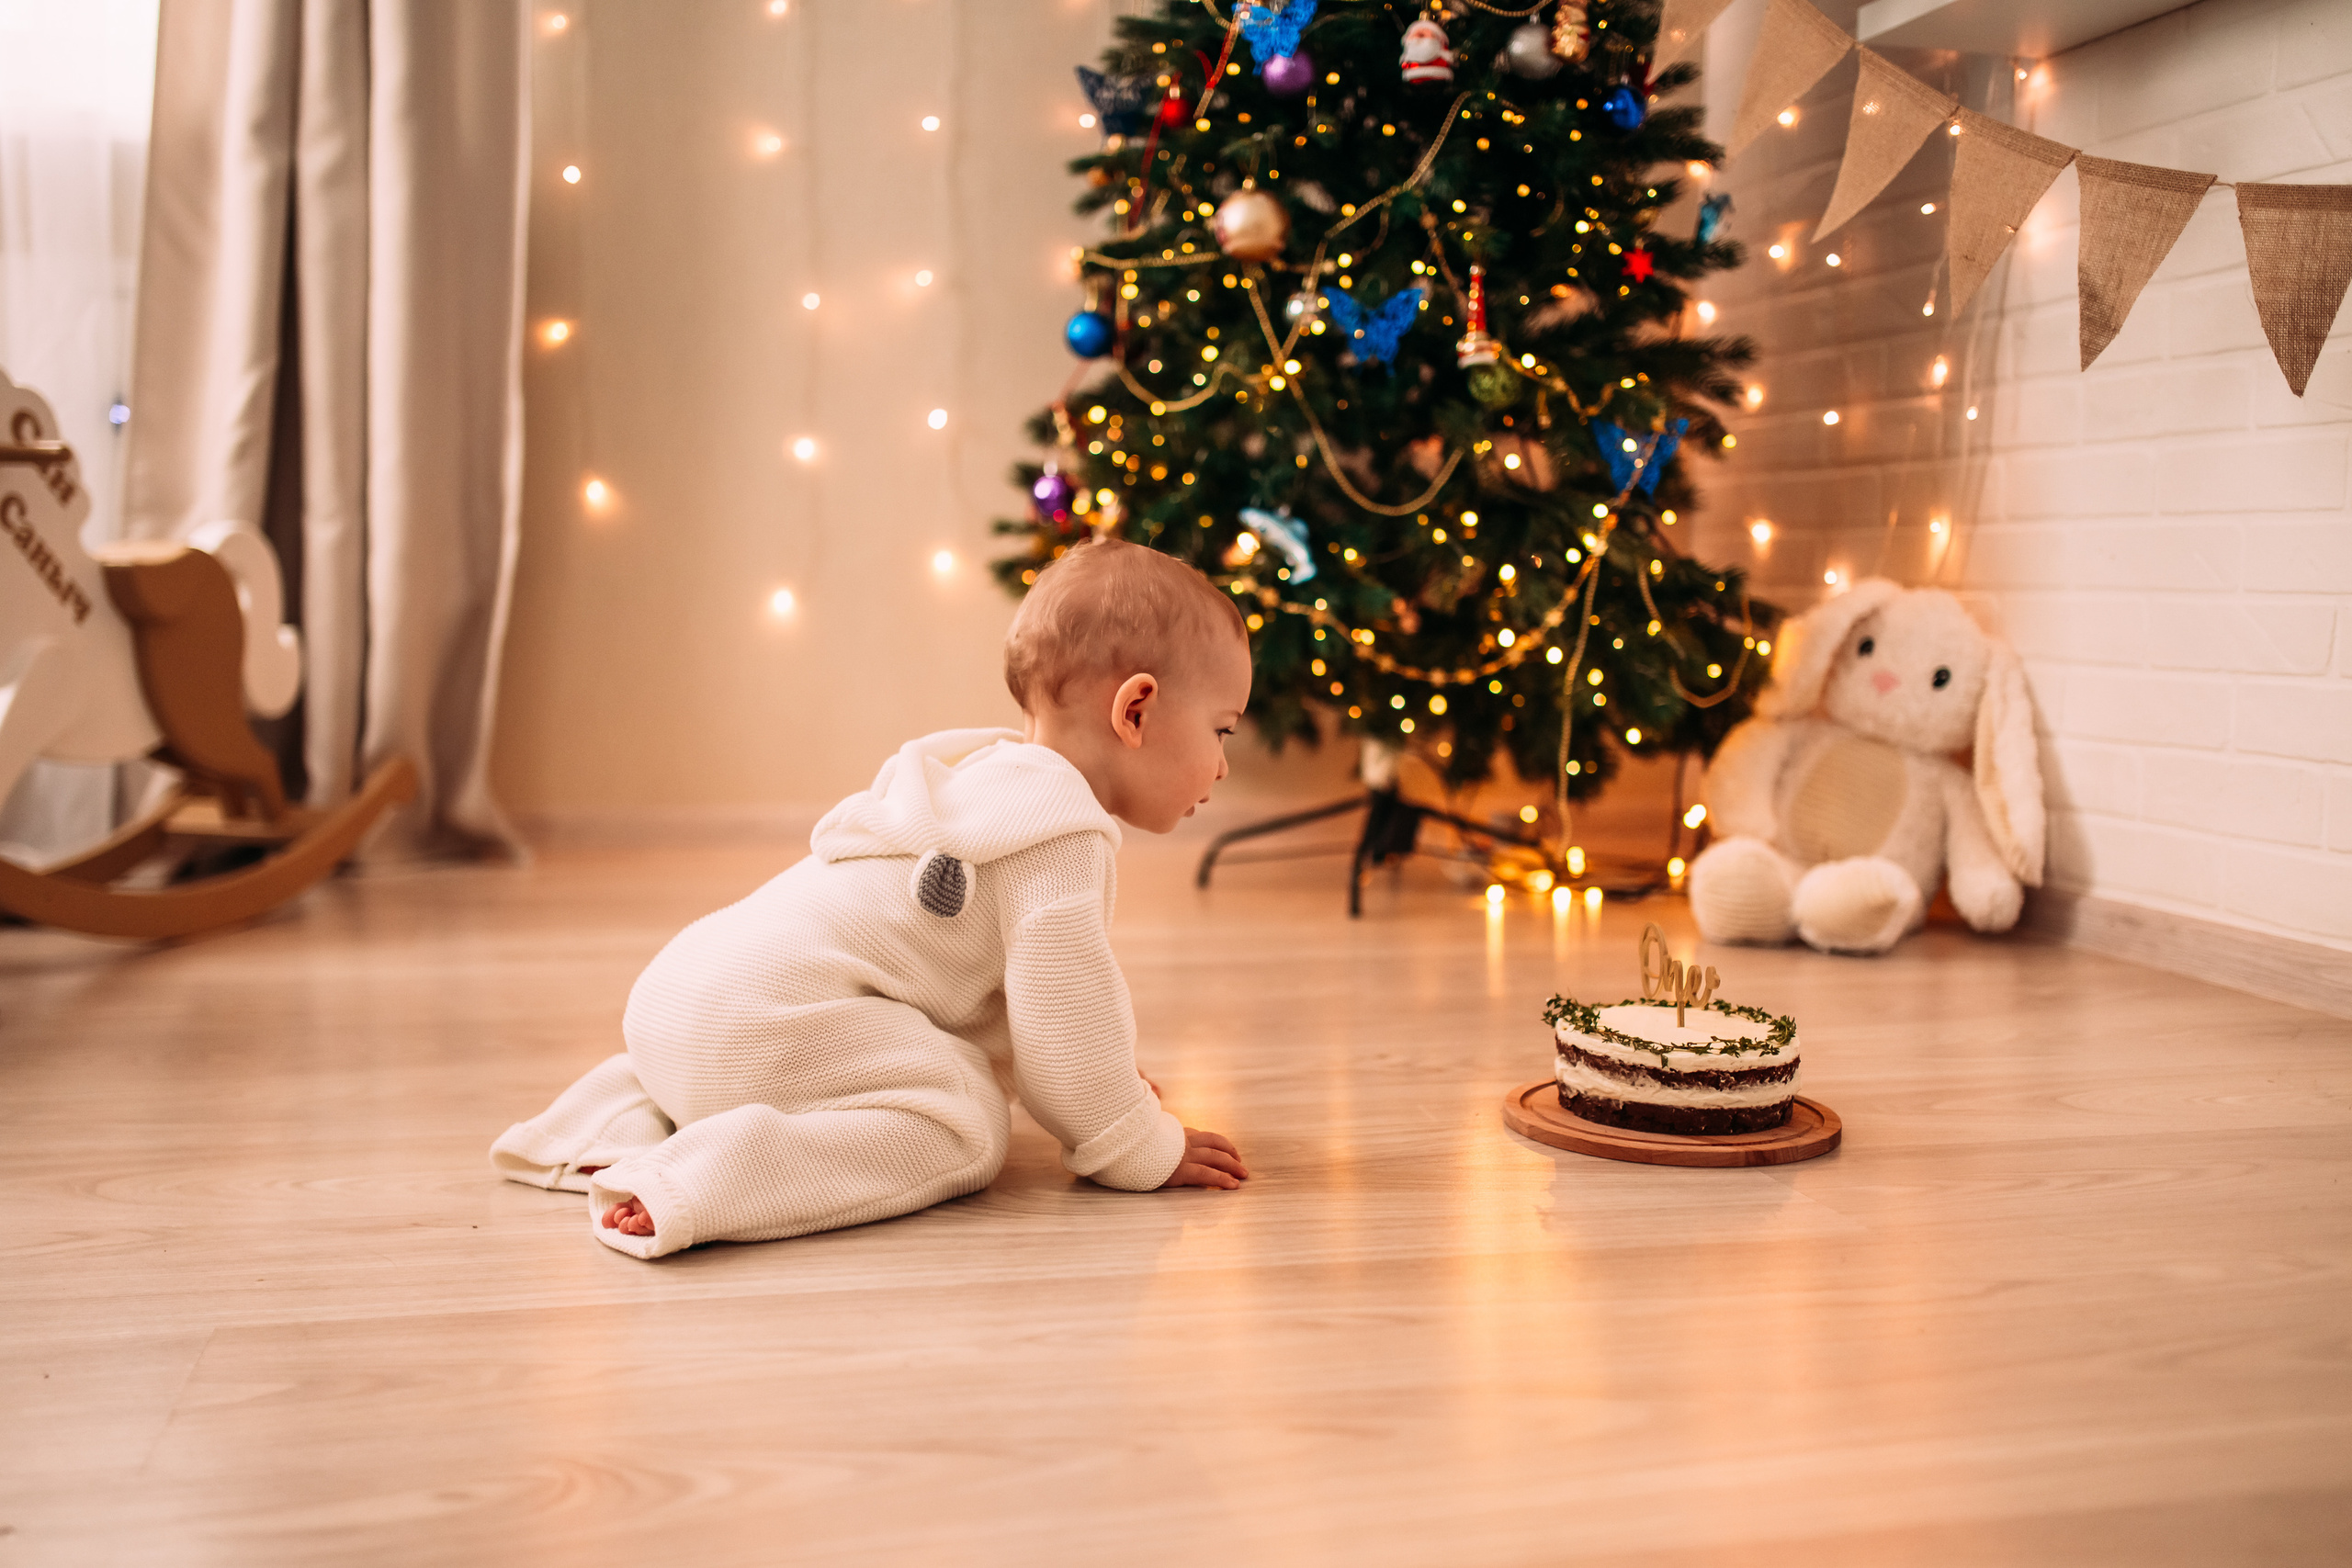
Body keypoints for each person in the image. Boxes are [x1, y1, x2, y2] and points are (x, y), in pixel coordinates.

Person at [490, 538, 1252, 1258]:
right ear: (1137, 710)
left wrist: (1108, 1073)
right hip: (760, 1027)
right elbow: (1064, 1030)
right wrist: (1132, 1135)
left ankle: (620, 1119)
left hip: (675, 1004)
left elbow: (1009, 998)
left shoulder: (976, 785)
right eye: (1222, 730)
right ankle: (697, 1179)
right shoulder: (1057, 840)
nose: (1221, 766)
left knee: (908, 1054)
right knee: (963, 1121)